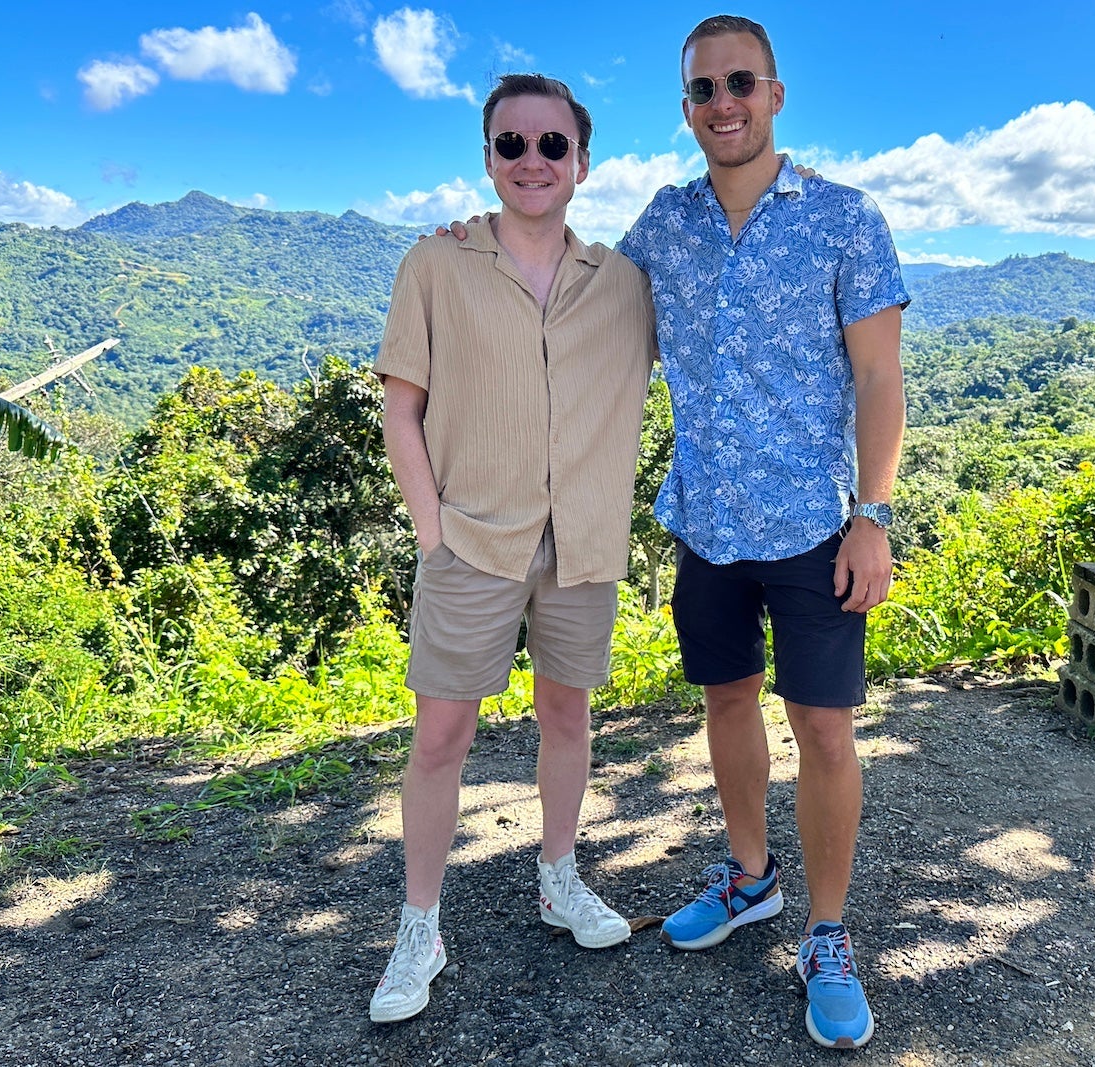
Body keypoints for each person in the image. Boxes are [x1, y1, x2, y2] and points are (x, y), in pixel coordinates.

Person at [616, 14, 909, 1051]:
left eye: (740, 81)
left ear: (776, 94)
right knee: (726, 699)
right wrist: (470, 246)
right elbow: (579, 305)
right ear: (687, 106)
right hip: (705, 519)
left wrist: (871, 515)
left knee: (824, 726)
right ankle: (751, 877)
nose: (722, 102)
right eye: (703, 88)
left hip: (811, 523)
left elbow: (879, 374)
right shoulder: (664, 222)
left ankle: (828, 933)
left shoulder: (843, 218)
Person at [367, 72, 657, 1025]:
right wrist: (431, 526)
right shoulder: (437, 264)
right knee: (441, 737)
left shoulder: (623, 284)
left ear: (582, 160)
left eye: (550, 145)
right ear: (487, 158)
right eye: (510, 145)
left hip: (582, 541)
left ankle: (559, 877)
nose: (531, 161)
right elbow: (400, 406)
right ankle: (420, 926)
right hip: (472, 540)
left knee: (568, 718)